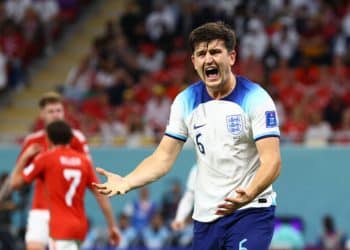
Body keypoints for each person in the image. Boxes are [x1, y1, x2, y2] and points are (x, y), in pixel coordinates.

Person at [93, 21, 281, 250]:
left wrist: (248, 194)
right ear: (194, 62)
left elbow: (272, 161)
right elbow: (163, 157)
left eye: (215, 52)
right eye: (201, 54)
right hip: (206, 217)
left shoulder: (256, 98)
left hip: (250, 210)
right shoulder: (185, 101)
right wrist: (127, 180)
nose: (208, 59)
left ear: (231, 57)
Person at [0, 91, 119, 250]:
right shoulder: (32, 141)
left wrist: (111, 223)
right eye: (51, 111)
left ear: (64, 112)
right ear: (42, 114)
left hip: (67, 212)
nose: (56, 115)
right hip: (41, 209)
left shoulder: (76, 138)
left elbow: (92, 182)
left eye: (59, 110)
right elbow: (16, 179)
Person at [171, 165, 197, 231]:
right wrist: (179, 218)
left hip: (225, 219)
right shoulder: (197, 169)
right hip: (204, 223)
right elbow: (189, 197)